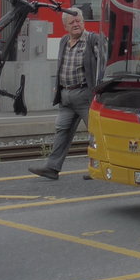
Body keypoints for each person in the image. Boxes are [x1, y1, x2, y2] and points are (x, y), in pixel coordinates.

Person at [29, 11, 105, 181]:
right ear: (65, 26)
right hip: (66, 96)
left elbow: (103, 65)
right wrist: (58, 87)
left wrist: (99, 91)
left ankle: (99, 168)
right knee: (61, 130)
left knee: (95, 133)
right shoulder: (64, 41)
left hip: (85, 95)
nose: (76, 24)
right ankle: (52, 167)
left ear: (83, 22)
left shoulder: (93, 40)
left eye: (79, 21)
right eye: (72, 22)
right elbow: (61, 65)